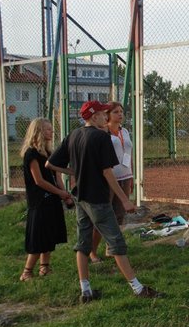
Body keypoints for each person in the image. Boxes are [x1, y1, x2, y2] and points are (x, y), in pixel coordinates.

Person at [47, 100, 162, 302]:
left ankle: (86, 290)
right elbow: (107, 173)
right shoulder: (101, 137)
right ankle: (138, 288)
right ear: (94, 117)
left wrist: (76, 172)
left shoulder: (74, 135)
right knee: (116, 242)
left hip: (80, 195)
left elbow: (51, 164)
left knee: (83, 242)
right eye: (101, 113)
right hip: (97, 197)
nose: (105, 116)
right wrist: (124, 200)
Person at [19, 118, 72, 282]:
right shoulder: (31, 154)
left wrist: (65, 195)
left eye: (51, 129)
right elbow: (39, 181)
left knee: (49, 234)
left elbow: (57, 177)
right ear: (39, 132)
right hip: (39, 201)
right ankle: (27, 272)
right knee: (38, 237)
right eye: (48, 130)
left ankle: (45, 267)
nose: (52, 132)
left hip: (52, 200)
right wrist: (59, 193)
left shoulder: (49, 154)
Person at [89, 101, 133, 264]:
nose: (120, 114)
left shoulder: (125, 131)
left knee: (119, 214)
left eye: (121, 111)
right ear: (107, 115)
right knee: (103, 215)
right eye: (116, 112)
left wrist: (132, 175)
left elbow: (129, 152)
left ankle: (111, 247)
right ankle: (92, 251)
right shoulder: (103, 132)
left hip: (125, 176)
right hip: (109, 179)